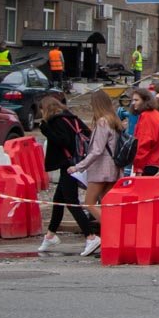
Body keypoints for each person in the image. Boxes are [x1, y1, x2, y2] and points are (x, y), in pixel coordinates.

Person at [37, 95, 99, 255]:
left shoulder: (55, 122)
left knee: (71, 201)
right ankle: (50, 235)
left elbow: (62, 141)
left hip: (68, 165)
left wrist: (45, 130)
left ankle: (91, 236)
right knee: (58, 200)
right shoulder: (73, 118)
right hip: (76, 161)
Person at [68, 90, 122, 255]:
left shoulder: (102, 122)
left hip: (101, 169)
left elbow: (97, 150)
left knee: (89, 202)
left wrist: (78, 167)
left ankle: (115, 233)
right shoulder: (115, 121)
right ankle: (114, 237)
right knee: (108, 205)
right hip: (114, 168)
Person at [130, 88, 159, 176]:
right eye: (133, 100)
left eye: (136, 100)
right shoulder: (156, 114)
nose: (133, 103)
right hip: (154, 161)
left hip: (146, 163)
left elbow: (144, 143)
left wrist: (138, 167)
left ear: (145, 101)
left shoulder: (146, 116)